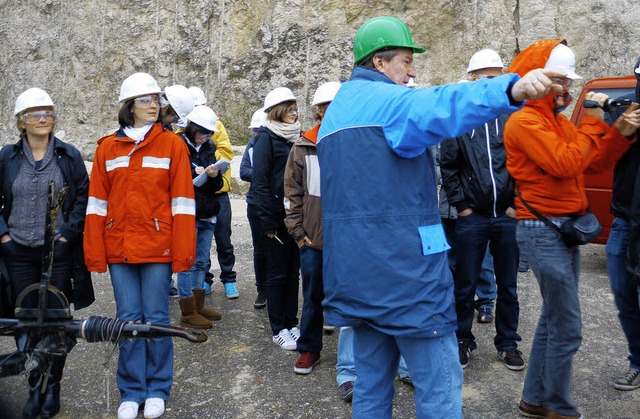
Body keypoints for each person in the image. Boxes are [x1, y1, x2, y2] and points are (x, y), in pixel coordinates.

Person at [316, 16, 567, 418]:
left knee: (370, 386)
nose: (412, 70)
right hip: (406, 278)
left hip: (355, 277)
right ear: (379, 64)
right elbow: (443, 104)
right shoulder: (390, 104)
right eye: (404, 60)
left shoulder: (335, 114)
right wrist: (511, 87)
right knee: (440, 388)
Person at [504, 40, 640, 418]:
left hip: (561, 229)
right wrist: (596, 121)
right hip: (542, 229)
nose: (566, 89)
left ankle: (535, 399)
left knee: (553, 318)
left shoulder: (557, 121)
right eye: (559, 81)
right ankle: (559, 408)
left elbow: (593, 164)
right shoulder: (525, 121)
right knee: (568, 327)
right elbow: (567, 163)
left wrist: (620, 133)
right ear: (536, 78)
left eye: (566, 82)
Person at [84, 72, 196, 419]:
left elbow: (182, 202)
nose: (154, 105)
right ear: (128, 106)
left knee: (158, 318)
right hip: (119, 247)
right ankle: (132, 390)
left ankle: (158, 388)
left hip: (157, 247)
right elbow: (96, 204)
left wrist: (183, 254)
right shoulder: (107, 147)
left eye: (156, 100)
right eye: (146, 100)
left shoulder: (173, 145)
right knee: (128, 319)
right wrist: (95, 252)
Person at [0, 87, 94, 419]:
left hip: (57, 253)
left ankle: (52, 386)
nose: (44, 118)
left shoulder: (68, 156)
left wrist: (68, 234)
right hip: (18, 252)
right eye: (36, 114)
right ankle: (33, 385)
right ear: (21, 122)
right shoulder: (7, 157)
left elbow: (84, 196)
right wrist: (4, 237)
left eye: (49, 113)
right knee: (25, 322)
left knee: (56, 321)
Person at [440, 49, 523, 370]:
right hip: (472, 218)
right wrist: (462, 207)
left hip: (506, 217)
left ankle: (508, 343)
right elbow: (448, 165)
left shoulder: (512, 115)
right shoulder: (460, 118)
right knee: (465, 282)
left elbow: (523, 163)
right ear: (472, 78)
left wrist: (516, 204)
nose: (493, 80)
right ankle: (463, 339)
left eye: (497, 74)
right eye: (486, 75)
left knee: (509, 286)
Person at [284, 81, 341, 374]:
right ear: (318, 110)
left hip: (347, 239)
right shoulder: (303, 146)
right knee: (313, 297)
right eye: (326, 106)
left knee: (353, 296)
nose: (331, 111)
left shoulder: (352, 143)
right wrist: (299, 233)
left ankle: (354, 361)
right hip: (313, 240)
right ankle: (309, 348)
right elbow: (292, 194)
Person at [253, 87, 301, 351]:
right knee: (277, 273)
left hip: (296, 214)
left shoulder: (295, 137)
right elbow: (259, 182)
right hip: (276, 216)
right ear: (278, 112)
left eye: (295, 108)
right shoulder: (266, 139)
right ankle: (278, 328)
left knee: (294, 272)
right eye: (290, 108)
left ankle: (292, 323)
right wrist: (268, 223)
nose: (295, 112)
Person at [605, 58, 640, 392]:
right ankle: (637, 360)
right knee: (622, 291)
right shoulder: (626, 112)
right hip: (624, 219)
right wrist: (622, 131)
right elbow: (602, 156)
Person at [175, 106, 224, 329]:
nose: (205, 137)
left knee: (202, 260)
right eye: (202, 132)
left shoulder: (209, 147)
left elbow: (216, 186)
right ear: (192, 128)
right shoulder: (177, 145)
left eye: (209, 133)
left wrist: (213, 175)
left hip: (208, 210)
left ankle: (198, 304)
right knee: (187, 261)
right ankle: (187, 310)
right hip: (187, 211)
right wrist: (189, 173)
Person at [188, 87, 238, 300]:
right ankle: (205, 280)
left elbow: (226, 152)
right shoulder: (182, 135)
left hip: (218, 191)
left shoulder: (215, 125)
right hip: (197, 195)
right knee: (201, 241)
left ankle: (229, 279)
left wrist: (212, 166)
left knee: (223, 237)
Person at [240, 108, 269, 309]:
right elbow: (243, 171)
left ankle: (276, 288)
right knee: (259, 250)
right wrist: (262, 174)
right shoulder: (251, 145)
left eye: (260, 130)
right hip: (255, 204)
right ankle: (262, 290)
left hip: (274, 203)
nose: (257, 135)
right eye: (255, 131)